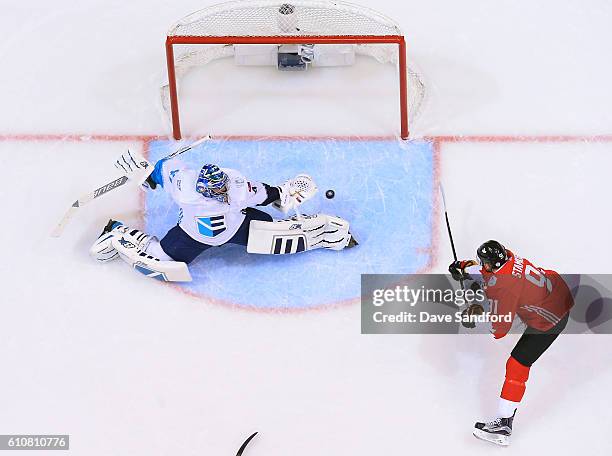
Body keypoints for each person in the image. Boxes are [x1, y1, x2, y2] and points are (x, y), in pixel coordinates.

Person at [89, 151, 356, 281]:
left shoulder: (235, 185)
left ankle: (323, 233)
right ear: (202, 188)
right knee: (164, 259)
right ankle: (118, 232)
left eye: (222, 189)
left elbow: (261, 193)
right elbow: (162, 169)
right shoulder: (184, 185)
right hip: (194, 235)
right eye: (215, 191)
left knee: (273, 233)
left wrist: (281, 194)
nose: (222, 194)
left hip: (236, 225)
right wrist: (150, 176)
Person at [449, 240, 574, 446]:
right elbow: (490, 273)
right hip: (554, 296)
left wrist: (475, 315)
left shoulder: (504, 287)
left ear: (490, 264)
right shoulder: (509, 258)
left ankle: (504, 425)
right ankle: (504, 421)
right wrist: (464, 267)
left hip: (551, 318)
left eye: (483, 263)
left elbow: (499, 329)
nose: (483, 266)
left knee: (517, 365)